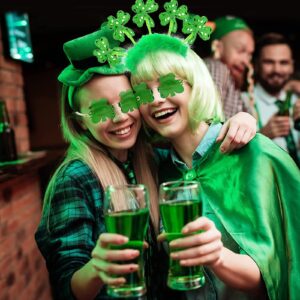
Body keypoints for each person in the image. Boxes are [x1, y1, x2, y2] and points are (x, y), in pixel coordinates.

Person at [34, 24, 258, 300]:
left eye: (128, 101)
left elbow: (197, 153)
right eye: (101, 109)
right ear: (78, 122)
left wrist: (241, 121)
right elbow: (65, 285)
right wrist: (96, 269)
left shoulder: (155, 161)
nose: (120, 117)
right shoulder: (76, 177)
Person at [127, 31, 300, 299]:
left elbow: (274, 273)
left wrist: (216, 255)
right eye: (142, 93)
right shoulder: (159, 171)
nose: (156, 99)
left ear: (195, 85)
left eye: (169, 84)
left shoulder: (253, 154)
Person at [253, 32, 300, 167]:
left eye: (283, 63)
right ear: (256, 65)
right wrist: (261, 136)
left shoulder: (296, 98)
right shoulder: (243, 101)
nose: (277, 69)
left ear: (292, 66)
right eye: (269, 62)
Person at [205, 16, 255, 119]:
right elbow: (210, 118)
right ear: (218, 47)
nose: (245, 61)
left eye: (249, 54)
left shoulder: (230, 78)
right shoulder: (217, 67)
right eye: (240, 51)